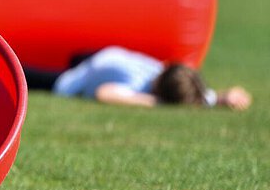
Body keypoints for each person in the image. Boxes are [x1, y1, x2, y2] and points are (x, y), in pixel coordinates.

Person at [52, 46, 252, 110]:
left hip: (99, 55)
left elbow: (190, 93)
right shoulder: (137, 83)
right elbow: (103, 93)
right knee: (26, 75)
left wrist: (221, 98)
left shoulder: (163, 71)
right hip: (75, 76)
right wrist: (154, 102)